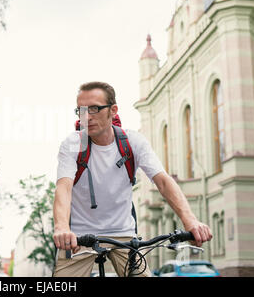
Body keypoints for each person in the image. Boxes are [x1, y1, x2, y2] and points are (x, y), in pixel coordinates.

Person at [52, 81, 212, 277]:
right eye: (81, 110)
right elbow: (63, 187)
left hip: (123, 234)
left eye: (94, 109)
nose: (87, 117)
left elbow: (163, 181)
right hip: (79, 237)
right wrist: (61, 227)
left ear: (113, 110)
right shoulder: (73, 144)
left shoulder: (133, 142)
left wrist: (191, 221)